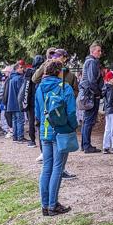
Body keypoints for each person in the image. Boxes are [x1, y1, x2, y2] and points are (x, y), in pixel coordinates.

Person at [34, 60, 77, 216]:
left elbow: (37, 112)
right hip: (61, 131)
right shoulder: (65, 87)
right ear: (59, 72)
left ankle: (45, 205)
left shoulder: (39, 88)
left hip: (45, 131)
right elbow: (71, 112)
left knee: (47, 168)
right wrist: (73, 126)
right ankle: (53, 205)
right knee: (58, 168)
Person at [80, 42, 104, 153]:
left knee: (86, 120)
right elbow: (91, 81)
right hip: (90, 95)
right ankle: (87, 146)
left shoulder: (89, 61)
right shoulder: (92, 62)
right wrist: (98, 93)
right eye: (98, 51)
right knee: (89, 121)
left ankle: (84, 145)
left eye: (100, 51)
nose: (100, 53)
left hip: (88, 94)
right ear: (92, 51)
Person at [6, 63, 26, 143]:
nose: (22, 69)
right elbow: (21, 92)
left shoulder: (11, 78)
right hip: (18, 103)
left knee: (14, 120)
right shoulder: (19, 78)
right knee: (20, 120)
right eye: (20, 67)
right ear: (16, 69)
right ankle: (20, 137)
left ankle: (15, 137)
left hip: (11, 103)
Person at [101, 71, 113, 154]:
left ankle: (106, 147)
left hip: (108, 110)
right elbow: (110, 100)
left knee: (108, 129)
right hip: (112, 110)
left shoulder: (106, 87)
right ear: (109, 79)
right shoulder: (112, 89)